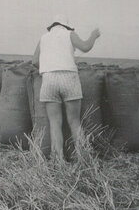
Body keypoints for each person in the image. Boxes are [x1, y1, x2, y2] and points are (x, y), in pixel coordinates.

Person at [32, 14, 101, 160]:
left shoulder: (44, 37)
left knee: (55, 123)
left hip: (48, 79)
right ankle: (84, 159)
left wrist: (47, 67)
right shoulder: (70, 34)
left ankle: (58, 161)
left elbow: (34, 61)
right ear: (66, 26)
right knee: (74, 121)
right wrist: (94, 35)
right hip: (69, 77)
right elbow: (85, 47)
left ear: (52, 26)